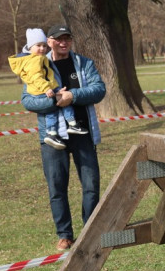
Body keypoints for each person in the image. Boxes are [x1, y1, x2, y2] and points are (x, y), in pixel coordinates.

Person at [21, 24, 107, 250]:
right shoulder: (36, 64)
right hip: (52, 139)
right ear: (49, 41)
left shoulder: (84, 63)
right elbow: (27, 101)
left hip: (82, 133)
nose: (63, 43)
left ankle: (90, 229)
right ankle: (65, 234)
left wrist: (73, 95)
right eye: (59, 39)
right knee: (57, 188)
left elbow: (99, 90)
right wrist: (54, 100)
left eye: (67, 38)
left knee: (91, 184)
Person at [8, 28, 88, 150]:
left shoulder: (37, 58)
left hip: (45, 88)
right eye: (38, 45)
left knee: (55, 109)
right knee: (58, 105)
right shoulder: (34, 60)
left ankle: (54, 132)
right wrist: (47, 88)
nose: (42, 49)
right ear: (30, 47)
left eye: (44, 46)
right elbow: (36, 77)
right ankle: (68, 125)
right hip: (42, 90)